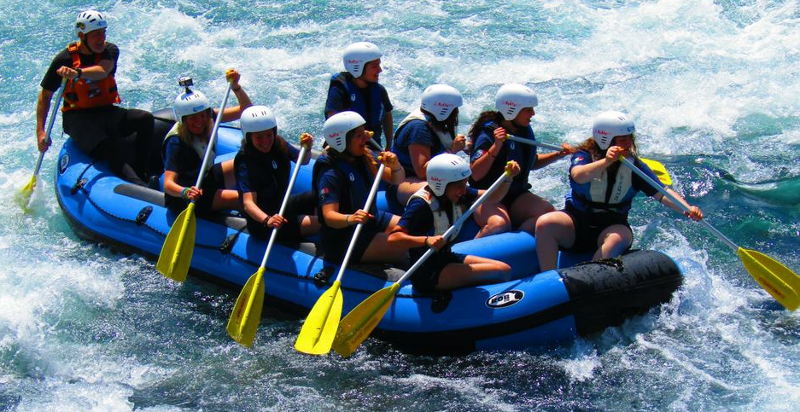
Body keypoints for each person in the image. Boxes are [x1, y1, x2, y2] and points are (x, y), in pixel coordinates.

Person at [535, 111, 704, 271]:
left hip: (612, 224)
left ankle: (590, 278)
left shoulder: (634, 166)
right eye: (622, 139)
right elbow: (578, 175)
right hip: (577, 221)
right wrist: (607, 161)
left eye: (629, 138)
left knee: (615, 239)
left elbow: (661, 192)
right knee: (546, 223)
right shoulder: (584, 155)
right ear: (605, 139)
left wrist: (687, 209)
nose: (628, 143)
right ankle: (549, 279)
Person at [36, 10, 155, 184]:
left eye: (103, 33)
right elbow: (45, 96)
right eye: (96, 35)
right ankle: (138, 184)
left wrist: (76, 73)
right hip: (77, 118)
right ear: (82, 36)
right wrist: (40, 132)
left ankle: (143, 170)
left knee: (145, 118)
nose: (101, 38)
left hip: (105, 111)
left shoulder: (110, 50)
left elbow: (102, 70)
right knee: (110, 147)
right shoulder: (64, 59)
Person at [388, 153, 522, 291]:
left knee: (504, 270)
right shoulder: (420, 205)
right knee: (499, 272)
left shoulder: (457, 192)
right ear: (440, 184)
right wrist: (426, 240)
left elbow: (492, 197)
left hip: (445, 257)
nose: (464, 189)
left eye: (465, 182)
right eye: (459, 185)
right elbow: (393, 238)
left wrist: (508, 178)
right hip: (426, 271)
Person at [468, 84, 574, 233]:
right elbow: (476, 173)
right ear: (512, 110)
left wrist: (558, 154)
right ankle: (463, 256)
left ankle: (518, 248)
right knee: (498, 224)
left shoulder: (523, 129)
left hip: (515, 195)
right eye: (528, 110)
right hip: (487, 195)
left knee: (549, 214)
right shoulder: (488, 134)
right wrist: (496, 145)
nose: (533, 113)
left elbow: (532, 163)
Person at [313, 111, 407, 264]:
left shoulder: (365, 155)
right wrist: (351, 218)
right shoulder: (330, 173)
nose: (366, 138)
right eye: (359, 135)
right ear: (341, 141)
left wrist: (396, 166)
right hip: (346, 237)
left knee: (413, 229)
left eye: (364, 132)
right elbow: (329, 216)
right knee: (407, 247)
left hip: (371, 219)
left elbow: (397, 180)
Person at [162, 70, 252, 217]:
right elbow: (168, 184)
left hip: (205, 177)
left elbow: (246, 110)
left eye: (202, 116)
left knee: (248, 163)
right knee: (241, 199)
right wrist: (185, 192)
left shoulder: (209, 118)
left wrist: (236, 87)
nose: (200, 122)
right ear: (183, 120)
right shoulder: (176, 142)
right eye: (193, 118)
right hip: (189, 196)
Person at [234, 105, 320, 241]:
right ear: (249, 137)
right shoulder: (245, 161)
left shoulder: (279, 144)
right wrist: (267, 220)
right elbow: (248, 203)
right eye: (259, 137)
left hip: (283, 205)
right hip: (265, 224)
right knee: (323, 222)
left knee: (321, 196)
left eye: (269, 135)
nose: (265, 141)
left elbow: (302, 161)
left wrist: (307, 149)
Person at [391, 84, 468, 205]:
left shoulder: (434, 120)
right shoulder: (418, 128)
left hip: (426, 178)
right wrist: (453, 150)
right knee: (448, 193)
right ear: (443, 110)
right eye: (454, 110)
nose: (456, 113)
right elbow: (422, 171)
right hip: (405, 181)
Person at [324, 42, 394, 149]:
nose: (380, 70)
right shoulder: (339, 90)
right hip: (347, 150)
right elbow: (333, 122)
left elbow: (387, 115)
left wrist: (389, 144)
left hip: (373, 147)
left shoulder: (379, 90)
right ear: (357, 67)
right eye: (374, 66)